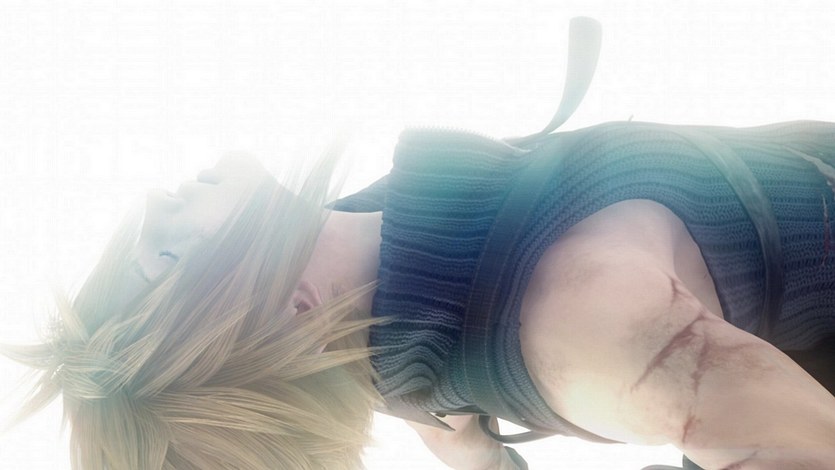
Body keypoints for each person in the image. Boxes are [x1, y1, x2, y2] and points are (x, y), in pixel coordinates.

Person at [3, 116, 835, 470]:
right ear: (283, 312)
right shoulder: (582, 323)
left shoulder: (376, 269)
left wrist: (473, 452)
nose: (156, 202)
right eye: (165, 251)